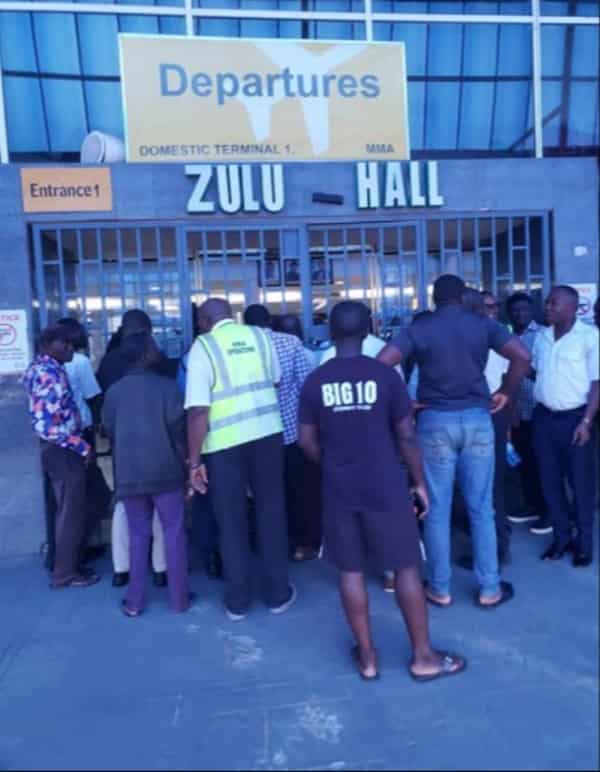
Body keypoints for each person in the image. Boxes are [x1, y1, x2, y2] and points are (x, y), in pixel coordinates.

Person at [298, 301, 466, 682]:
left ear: (329, 333)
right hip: (387, 483)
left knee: (351, 569)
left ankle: (369, 659)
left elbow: (307, 442)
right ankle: (423, 657)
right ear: (370, 329)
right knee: (406, 564)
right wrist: (419, 482)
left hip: (340, 485)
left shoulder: (317, 380)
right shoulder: (385, 375)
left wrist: (335, 463)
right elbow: (406, 434)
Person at [378, 275, 531, 609]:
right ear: (462, 297)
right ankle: (490, 588)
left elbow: (382, 364)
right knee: (482, 509)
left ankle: (440, 588)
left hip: (434, 422)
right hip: (478, 420)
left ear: (434, 298)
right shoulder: (482, 324)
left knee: (436, 509)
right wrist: (507, 391)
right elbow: (522, 355)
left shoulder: (420, 328)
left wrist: (405, 403)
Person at [186, 298, 295, 621]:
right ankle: (278, 594)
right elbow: (275, 380)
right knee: (271, 513)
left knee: (230, 520)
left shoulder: (203, 347)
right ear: (230, 317)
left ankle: (238, 601)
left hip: (224, 446)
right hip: (267, 436)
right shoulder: (262, 338)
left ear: (205, 321)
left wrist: (193, 463)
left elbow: (197, 411)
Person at [102, 332, 191, 616]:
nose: (158, 349)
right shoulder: (167, 389)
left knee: (138, 535)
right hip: (166, 472)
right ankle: (179, 600)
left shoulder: (114, 392)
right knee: (174, 533)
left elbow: (109, 429)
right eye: (153, 346)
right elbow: (179, 432)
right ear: (145, 354)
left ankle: (134, 602)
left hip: (130, 474)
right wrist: (187, 464)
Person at [23, 325, 100, 589]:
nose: (71, 348)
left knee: (76, 507)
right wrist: (81, 446)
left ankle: (69, 563)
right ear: (47, 344)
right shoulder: (48, 374)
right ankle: (64, 573)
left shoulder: (48, 368)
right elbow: (47, 426)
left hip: (63, 448)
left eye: (73, 344)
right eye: (65, 343)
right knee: (70, 511)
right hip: (62, 450)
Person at [243, 304, 321, 562]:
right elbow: (307, 386)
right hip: (291, 433)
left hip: (256, 434)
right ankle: (304, 544)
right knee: (300, 490)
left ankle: (271, 544)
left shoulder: (240, 346)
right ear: (270, 321)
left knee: (266, 493)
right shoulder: (291, 343)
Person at [97, 309, 167, 587]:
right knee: (162, 504)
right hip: (158, 442)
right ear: (148, 330)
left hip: (124, 445)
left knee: (125, 503)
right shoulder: (157, 359)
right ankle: (160, 568)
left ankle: (121, 568)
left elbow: (103, 408)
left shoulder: (109, 362)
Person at [531, 286, 599, 567]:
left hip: (576, 419)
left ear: (572, 307)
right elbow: (536, 370)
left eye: (554, 303)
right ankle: (561, 539)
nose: (547, 307)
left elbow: (597, 382)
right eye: (547, 303)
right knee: (550, 482)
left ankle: (584, 544)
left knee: (580, 484)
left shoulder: (590, 337)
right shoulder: (542, 337)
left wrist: (586, 421)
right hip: (544, 418)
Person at [458, 288, 512, 567]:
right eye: (488, 305)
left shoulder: (494, 332)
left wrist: (504, 401)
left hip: (490, 411)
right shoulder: (477, 331)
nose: (492, 309)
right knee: (475, 485)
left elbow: (510, 369)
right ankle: (488, 544)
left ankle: (497, 548)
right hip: (472, 413)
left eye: (494, 305)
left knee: (490, 485)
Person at [58, 318, 108, 559]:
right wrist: (102, 425)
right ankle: (76, 551)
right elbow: (93, 396)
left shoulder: (46, 365)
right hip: (80, 435)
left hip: (58, 438)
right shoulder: (80, 362)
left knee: (70, 497)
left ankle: (74, 550)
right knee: (91, 493)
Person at [505, 293, 548, 532]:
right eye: (515, 311)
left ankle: (547, 511)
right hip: (517, 411)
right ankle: (532, 505)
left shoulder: (542, 335)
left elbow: (544, 371)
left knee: (543, 464)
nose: (520, 314)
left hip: (538, 408)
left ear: (532, 311)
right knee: (525, 464)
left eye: (524, 310)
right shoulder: (507, 336)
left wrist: (524, 367)